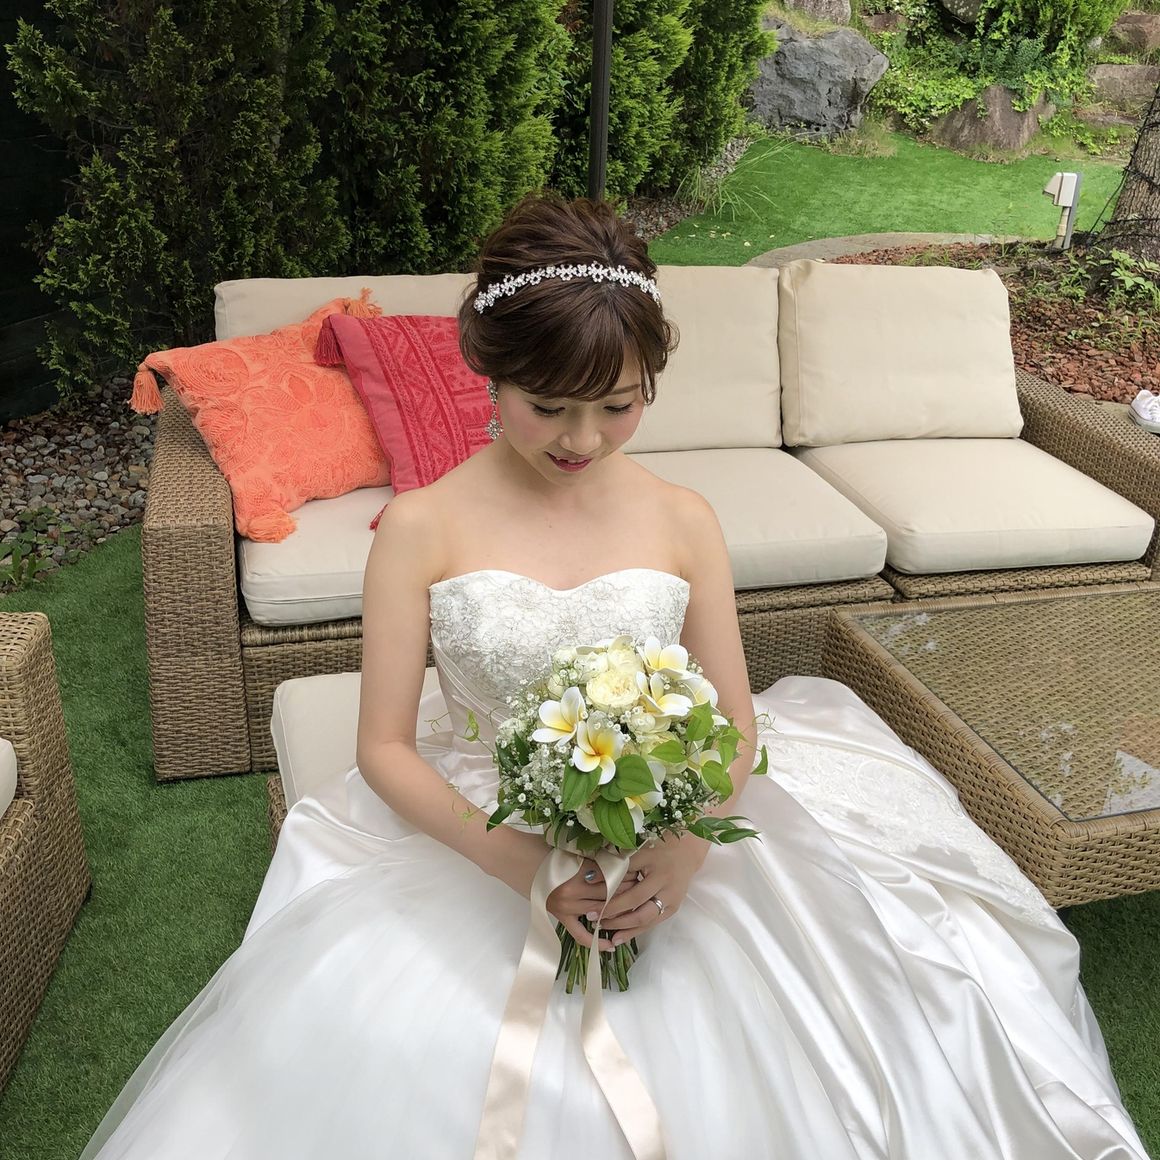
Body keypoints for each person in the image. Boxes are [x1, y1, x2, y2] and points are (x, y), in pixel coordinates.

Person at [82, 194, 1149, 1159]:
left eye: (619, 406)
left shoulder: (683, 518)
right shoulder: (418, 527)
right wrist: (522, 865)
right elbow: (386, 748)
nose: (582, 438)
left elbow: (734, 720)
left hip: (673, 816)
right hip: (488, 827)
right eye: (548, 405)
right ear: (489, 373)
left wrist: (686, 844)